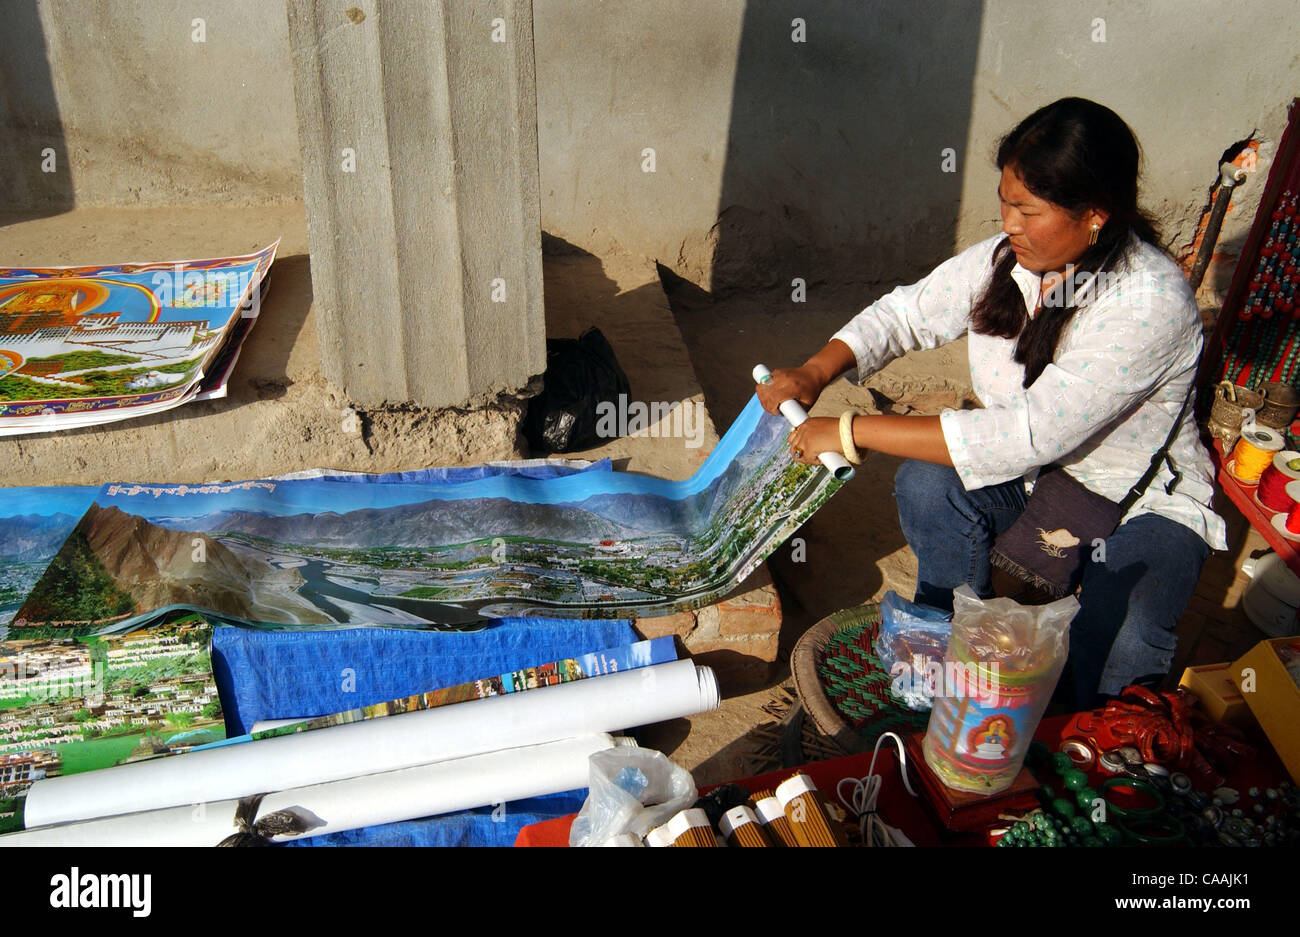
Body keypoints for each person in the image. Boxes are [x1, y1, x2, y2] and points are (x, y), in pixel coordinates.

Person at [757, 98, 1226, 710]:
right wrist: (816, 371)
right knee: (928, 486)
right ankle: (946, 641)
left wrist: (849, 430)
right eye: (1005, 201)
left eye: (1028, 210)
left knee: (1122, 635)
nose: (1008, 223)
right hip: (1035, 480)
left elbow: (1028, 435)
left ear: (1094, 215)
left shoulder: (1148, 302)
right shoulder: (1013, 261)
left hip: (1133, 496)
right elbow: (907, 314)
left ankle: (1083, 740)